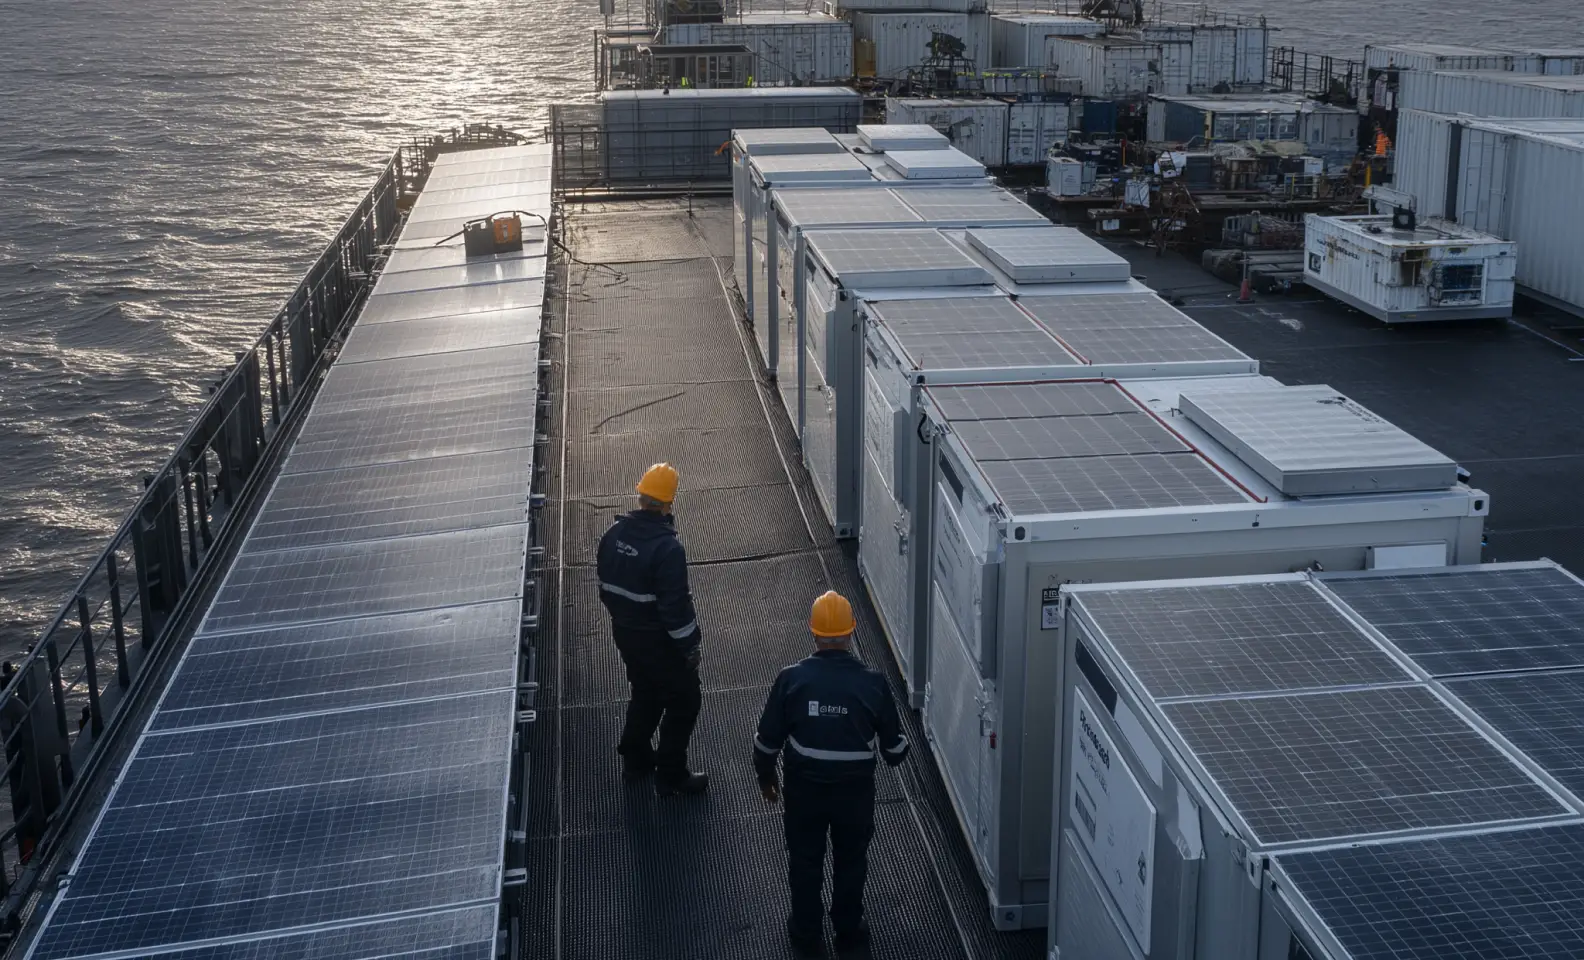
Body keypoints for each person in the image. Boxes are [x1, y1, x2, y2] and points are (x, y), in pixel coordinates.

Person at [754, 591, 909, 955]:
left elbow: (766, 745)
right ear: (851, 632)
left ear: (814, 633)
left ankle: (806, 933)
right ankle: (849, 931)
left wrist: (767, 779)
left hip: (804, 792)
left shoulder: (790, 680)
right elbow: (896, 752)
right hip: (853, 797)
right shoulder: (873, 683)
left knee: (805, 860)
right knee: (851, 861)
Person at [597, 462, 708, 796]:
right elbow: (675, 611)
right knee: (685, 701)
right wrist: (690, 647)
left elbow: (605, 589)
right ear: (669, 503)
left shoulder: (612, 536)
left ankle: (635, 760)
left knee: (645, 692)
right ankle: (671, 776)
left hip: (626, 634)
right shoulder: (667, 549)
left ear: (640, 495)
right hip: (659, 642)